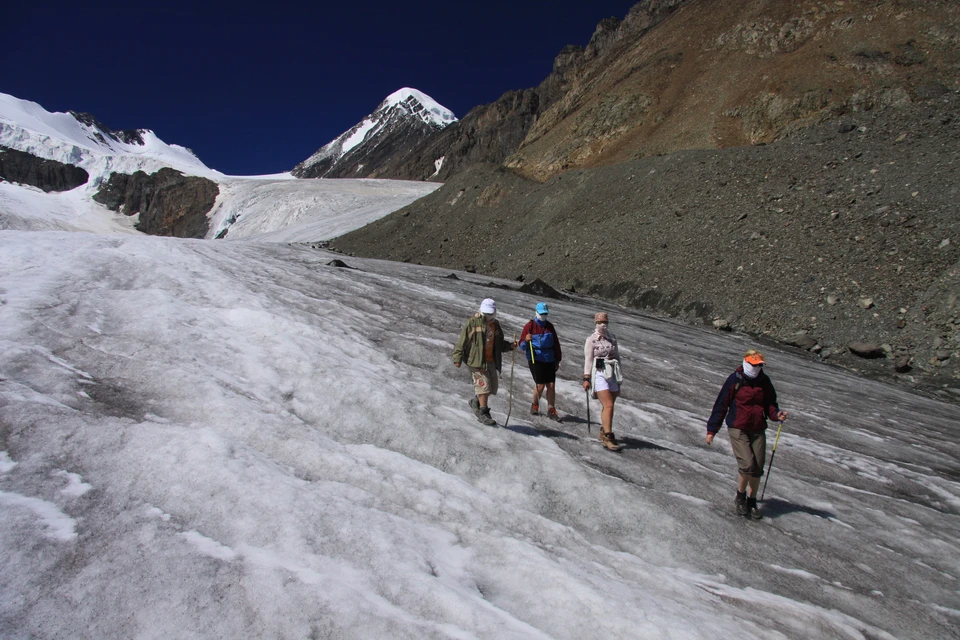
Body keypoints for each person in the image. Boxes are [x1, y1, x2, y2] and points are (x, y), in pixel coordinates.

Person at [706, 349, 788, 519]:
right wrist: (712, 430)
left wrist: (776, 414)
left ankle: (752, 500)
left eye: (759, 365)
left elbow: (770, 404)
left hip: (758, 428)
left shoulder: (764, 382)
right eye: (753, 364)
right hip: (738, 427)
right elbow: (721, 405)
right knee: (747, 464)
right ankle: (740, 496)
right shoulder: (734, 380)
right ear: (746, 362)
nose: (756, 367)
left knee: (757, 468)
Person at [452, 298, 515, 426]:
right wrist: (457, 357)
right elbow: (461, 342)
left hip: (491, 361)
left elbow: (499, 344)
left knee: (492, 388)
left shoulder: (495, 325)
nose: (488, 317)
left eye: (490, 314)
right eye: (486, 314)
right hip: (476, 361)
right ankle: (483, 412)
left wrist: (510, 346)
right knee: (484, 388)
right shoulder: (472, 323)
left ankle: (476, 401)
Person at [582, 312, 624, 451]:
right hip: (599, 372)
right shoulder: (591, 340)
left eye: (605, 322)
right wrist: (586, 378)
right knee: (608, 404)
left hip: (611, 371)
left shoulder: (612, 337)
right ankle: (608, 436)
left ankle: (604, 428)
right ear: (595, 323)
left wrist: (619, 374)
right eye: (600, 322)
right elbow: (588, 360)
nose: (603, 324)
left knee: (610, 404)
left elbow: (616, 355)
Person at [518, 302, 563, 421]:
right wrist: (527, 341)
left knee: (551, 385)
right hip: (536, 359)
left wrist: (557, 359)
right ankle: (535, 405)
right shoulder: (530, 326)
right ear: (536, 313)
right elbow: (521, 345)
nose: (543, 316)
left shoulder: (549, 327)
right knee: (541, 385)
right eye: (541, 313)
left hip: (549, 358)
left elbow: (556, 344)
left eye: (545, 314)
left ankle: (551, 409)